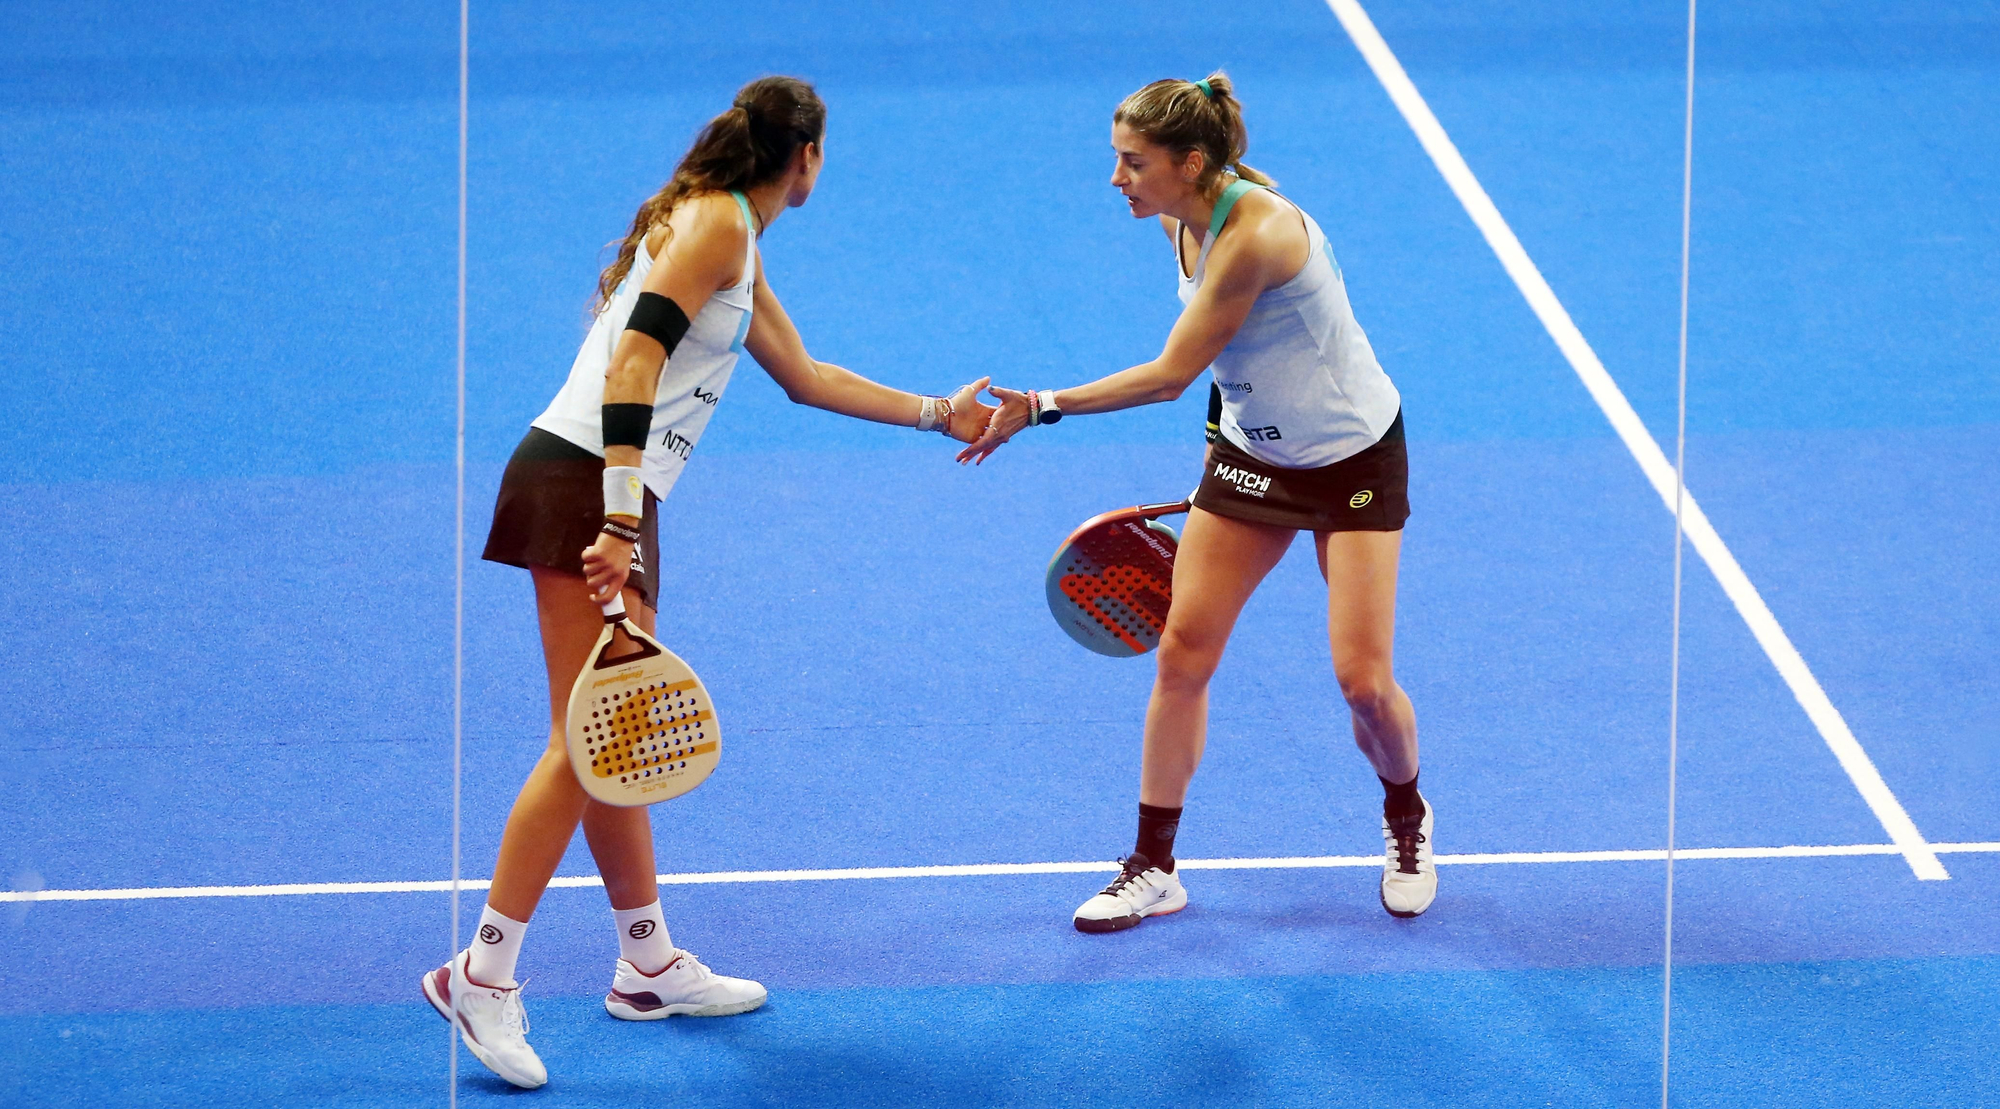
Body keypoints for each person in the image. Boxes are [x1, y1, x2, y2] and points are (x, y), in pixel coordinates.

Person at [423, 76, 994, 1089]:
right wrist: (614, 510)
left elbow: (806, 375)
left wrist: (934, 413)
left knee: (617, 731)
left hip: (614, 488)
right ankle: (483, 971)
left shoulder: (734, 231)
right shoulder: (717, 228)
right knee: (582, 740)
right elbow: (635, 359)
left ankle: (645, 961)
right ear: (806, 157)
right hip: (585, 481)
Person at [961, 72, 1434, 934]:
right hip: (1253, 455)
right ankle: (1152, 864)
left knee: (1362, 682)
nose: (1116, 180)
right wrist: (1229, 437)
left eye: (1132, 164)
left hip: (1354, 461)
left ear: (1190, 162)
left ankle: (1407, 818)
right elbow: (1229, 361)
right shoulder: (1183, 214)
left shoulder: (1254, 233)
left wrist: (1039, 404)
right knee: (1181, 652)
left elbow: (1173, 372)